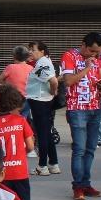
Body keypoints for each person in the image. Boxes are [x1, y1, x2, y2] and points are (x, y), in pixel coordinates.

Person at [59, 32, 101, 200]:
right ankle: (78, 186)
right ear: (83, 45)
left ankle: (86, 184)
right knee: (79, 149)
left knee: (90, 149)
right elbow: (68, 81)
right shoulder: (70, 56)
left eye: (97, 52)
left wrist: (100, 87)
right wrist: (86, 67)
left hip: (95, 107)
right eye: (91, 51)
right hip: (77, 108)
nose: (93, 55)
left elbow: (96, 81)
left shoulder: (96, 60)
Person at [24, 42, 58, 176]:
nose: (30, 52)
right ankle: (53, 163)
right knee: (46, 133)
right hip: (40, 101)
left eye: (33, 50)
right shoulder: (42, 62)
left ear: (42, 51)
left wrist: (53, 91)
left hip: (40, 102)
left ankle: (42, 166)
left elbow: (53, 81)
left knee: (42, 134)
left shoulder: (43, 63)